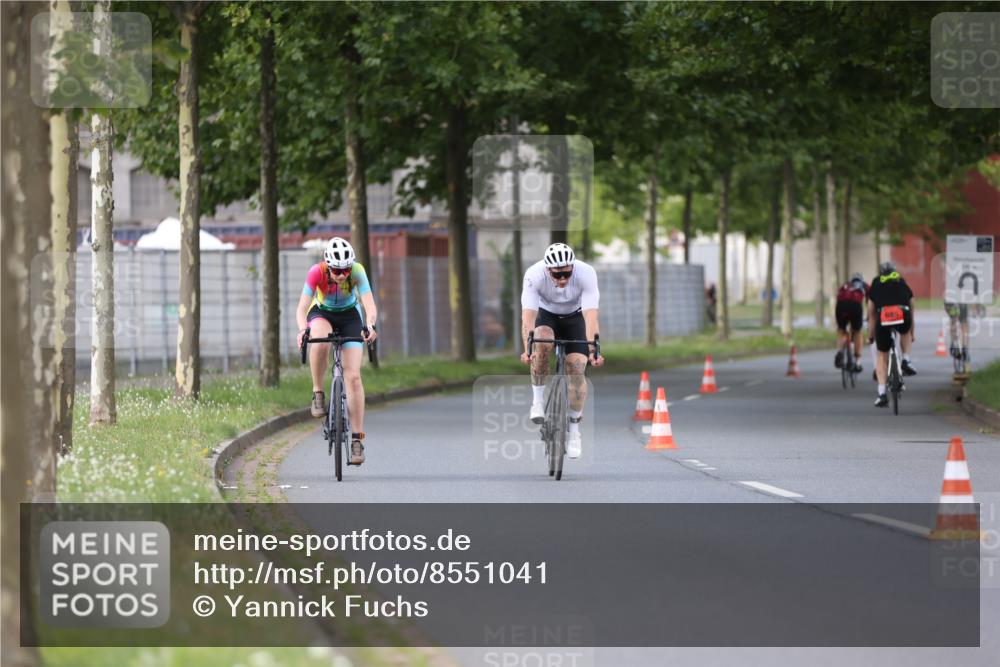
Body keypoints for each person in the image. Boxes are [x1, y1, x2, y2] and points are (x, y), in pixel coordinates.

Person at [295, 237, 378, 464]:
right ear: (327, 265)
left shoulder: (357, 271)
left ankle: (357, 441)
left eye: (345, 270)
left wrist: (370, 325)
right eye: (336, 270)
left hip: (350, 315)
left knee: (353, 378)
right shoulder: (316, 272)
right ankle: (318, 392)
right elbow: (302, 308)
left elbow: (369, 306)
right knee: (319, 339)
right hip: (322, 312)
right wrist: (303, 330)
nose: (341, 275)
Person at [520, 242, 603, 459]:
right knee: (542, 341)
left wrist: (594, 348)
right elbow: (528, 317)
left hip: (575, 317)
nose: (563, 279)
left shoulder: (586, 273)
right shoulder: (534, 275)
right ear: (547, 270)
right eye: (557, 275)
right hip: (546, 316)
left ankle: (574, 431)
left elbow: (591, 315)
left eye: (567, 273)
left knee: (576, 369)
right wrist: (527, 348)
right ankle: (537, 401)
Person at [866, 261, 916, 408]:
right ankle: (906, 360)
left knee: (882, 355)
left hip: (883, 316)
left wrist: (871, 335)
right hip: (902, 313)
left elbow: (871, 314)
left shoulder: (875, 284)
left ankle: (882, 394)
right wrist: (912, 333)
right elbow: (912, 307)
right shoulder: (901, 282)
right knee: (904, 331)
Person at [834, 272, 868, 373]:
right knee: (857, 332)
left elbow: (838, 298)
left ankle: (840, 351)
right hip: (855, 306)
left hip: (841, 306)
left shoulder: (845, 286)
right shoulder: (864, 285)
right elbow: (870, 301)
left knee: (841, 330)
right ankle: (858, 361)